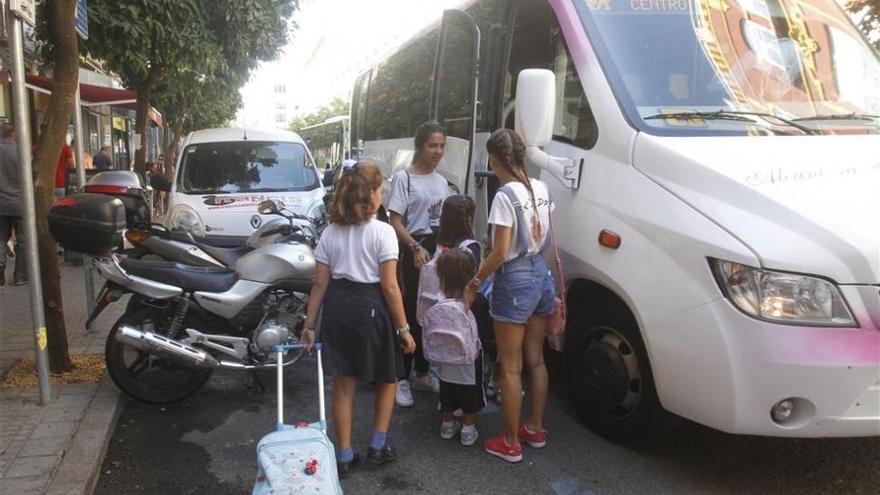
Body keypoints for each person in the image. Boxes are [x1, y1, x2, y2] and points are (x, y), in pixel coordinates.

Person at [300, 160, 416, 478]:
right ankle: (378, 447)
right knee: (387, 378)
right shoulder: (384, 233)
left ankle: (345, 455)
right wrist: (404, 328)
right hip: (372, 308)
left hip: (337, 309)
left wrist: (309, 325)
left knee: (343, 385)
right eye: (381, 189)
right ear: (373, 195)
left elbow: (320, 284)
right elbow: (390, 286)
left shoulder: (330, 233)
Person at [465, 128, 555, 463]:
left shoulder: (504, 196)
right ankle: (534, 428)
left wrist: (475, 281)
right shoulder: (542, 188)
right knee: (536, 360)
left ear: (495, 157)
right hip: (541, 276)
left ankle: (511, 441)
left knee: (511, 366)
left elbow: (500, 252)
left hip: (515, 281)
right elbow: (546, 232)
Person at [387, 121, 449, 407]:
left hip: (435, 252)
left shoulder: (441, 182)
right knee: (410, 314)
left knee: (432, 313)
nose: (438, 151)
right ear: (420, 146)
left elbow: (444, 222)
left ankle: (423, 373)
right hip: (411, 251)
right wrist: (414, 246)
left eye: (441, 146)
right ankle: (402, 377)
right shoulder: (404, 178)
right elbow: (395, 220)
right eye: (432, 145)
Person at [425, 248, 485, 447]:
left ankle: (447, 425)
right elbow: (486, 330)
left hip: (443, 358)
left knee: (447, 391)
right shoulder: (476, 301)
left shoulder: (437, 299)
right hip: (469, 358)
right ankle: (468, 430)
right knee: (470, 392)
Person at [0, 123, 27, 286]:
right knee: (23, 240)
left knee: (0, 237)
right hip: (20, 203)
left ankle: (0, 264)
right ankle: (20, 276)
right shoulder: (21, 152)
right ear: (14, 135)